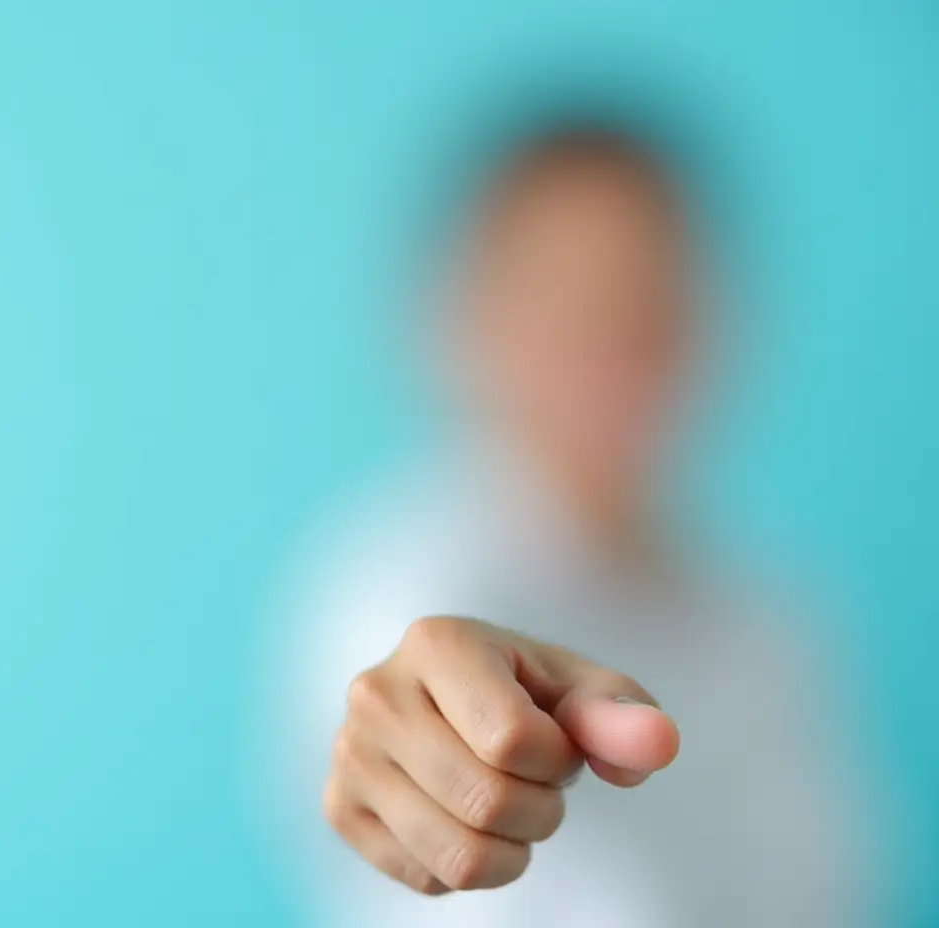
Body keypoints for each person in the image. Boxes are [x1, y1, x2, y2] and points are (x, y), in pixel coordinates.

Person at [264, 102, 873, 927]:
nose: (613, 339)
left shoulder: (771, 610)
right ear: (463, 321)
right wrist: (423, 751)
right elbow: (390, 705)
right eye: (566, 299)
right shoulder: (396, 581)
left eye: (648, 295)